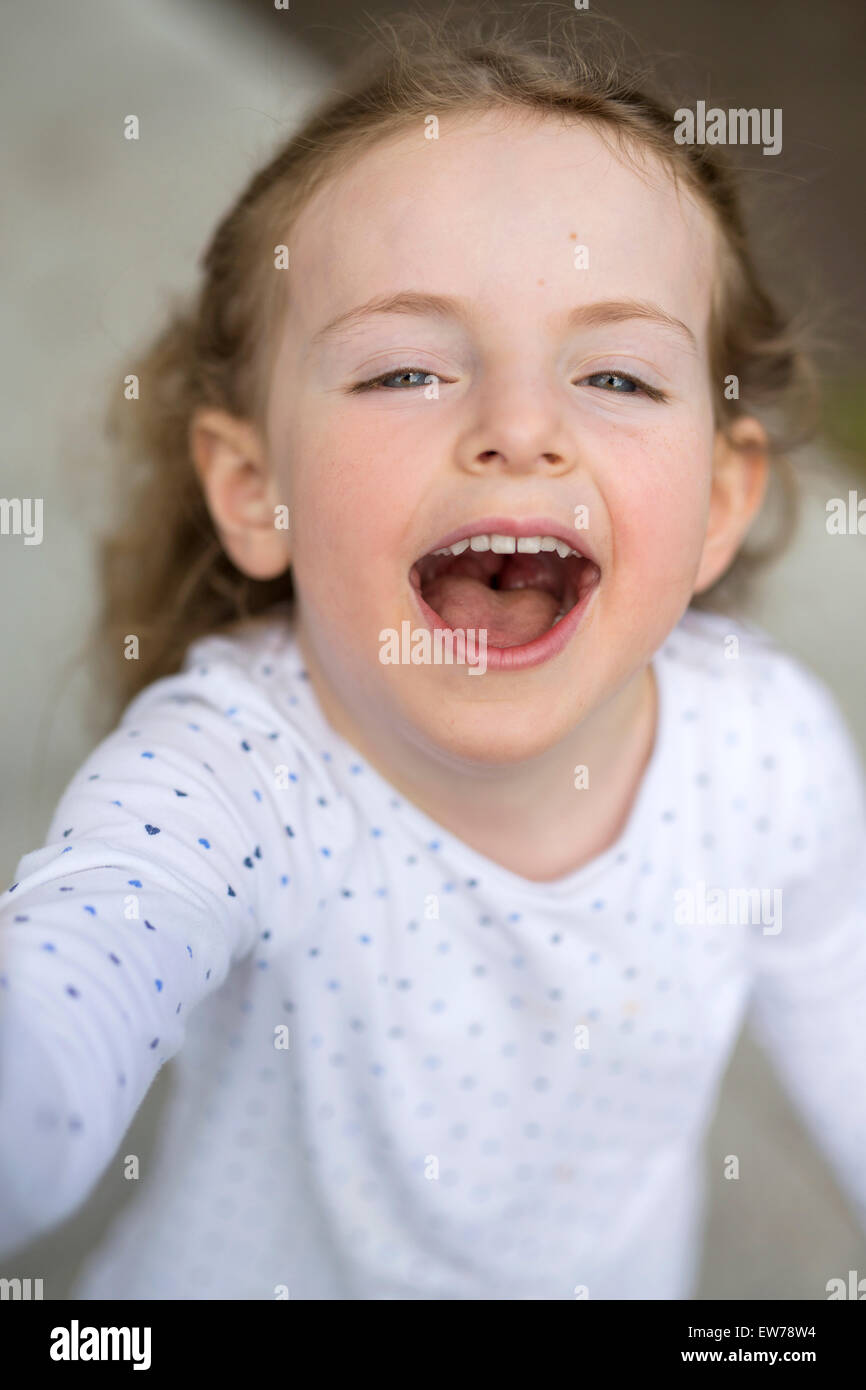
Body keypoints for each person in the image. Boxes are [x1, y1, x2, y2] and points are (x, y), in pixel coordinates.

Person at [1, 9, 864, 1300]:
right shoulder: (233, 772)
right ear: (254, 489)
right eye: (405, 369)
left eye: (617, 377)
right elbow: (55, 1046)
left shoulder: (763, 753)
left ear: (719, 505)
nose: (519, 428)